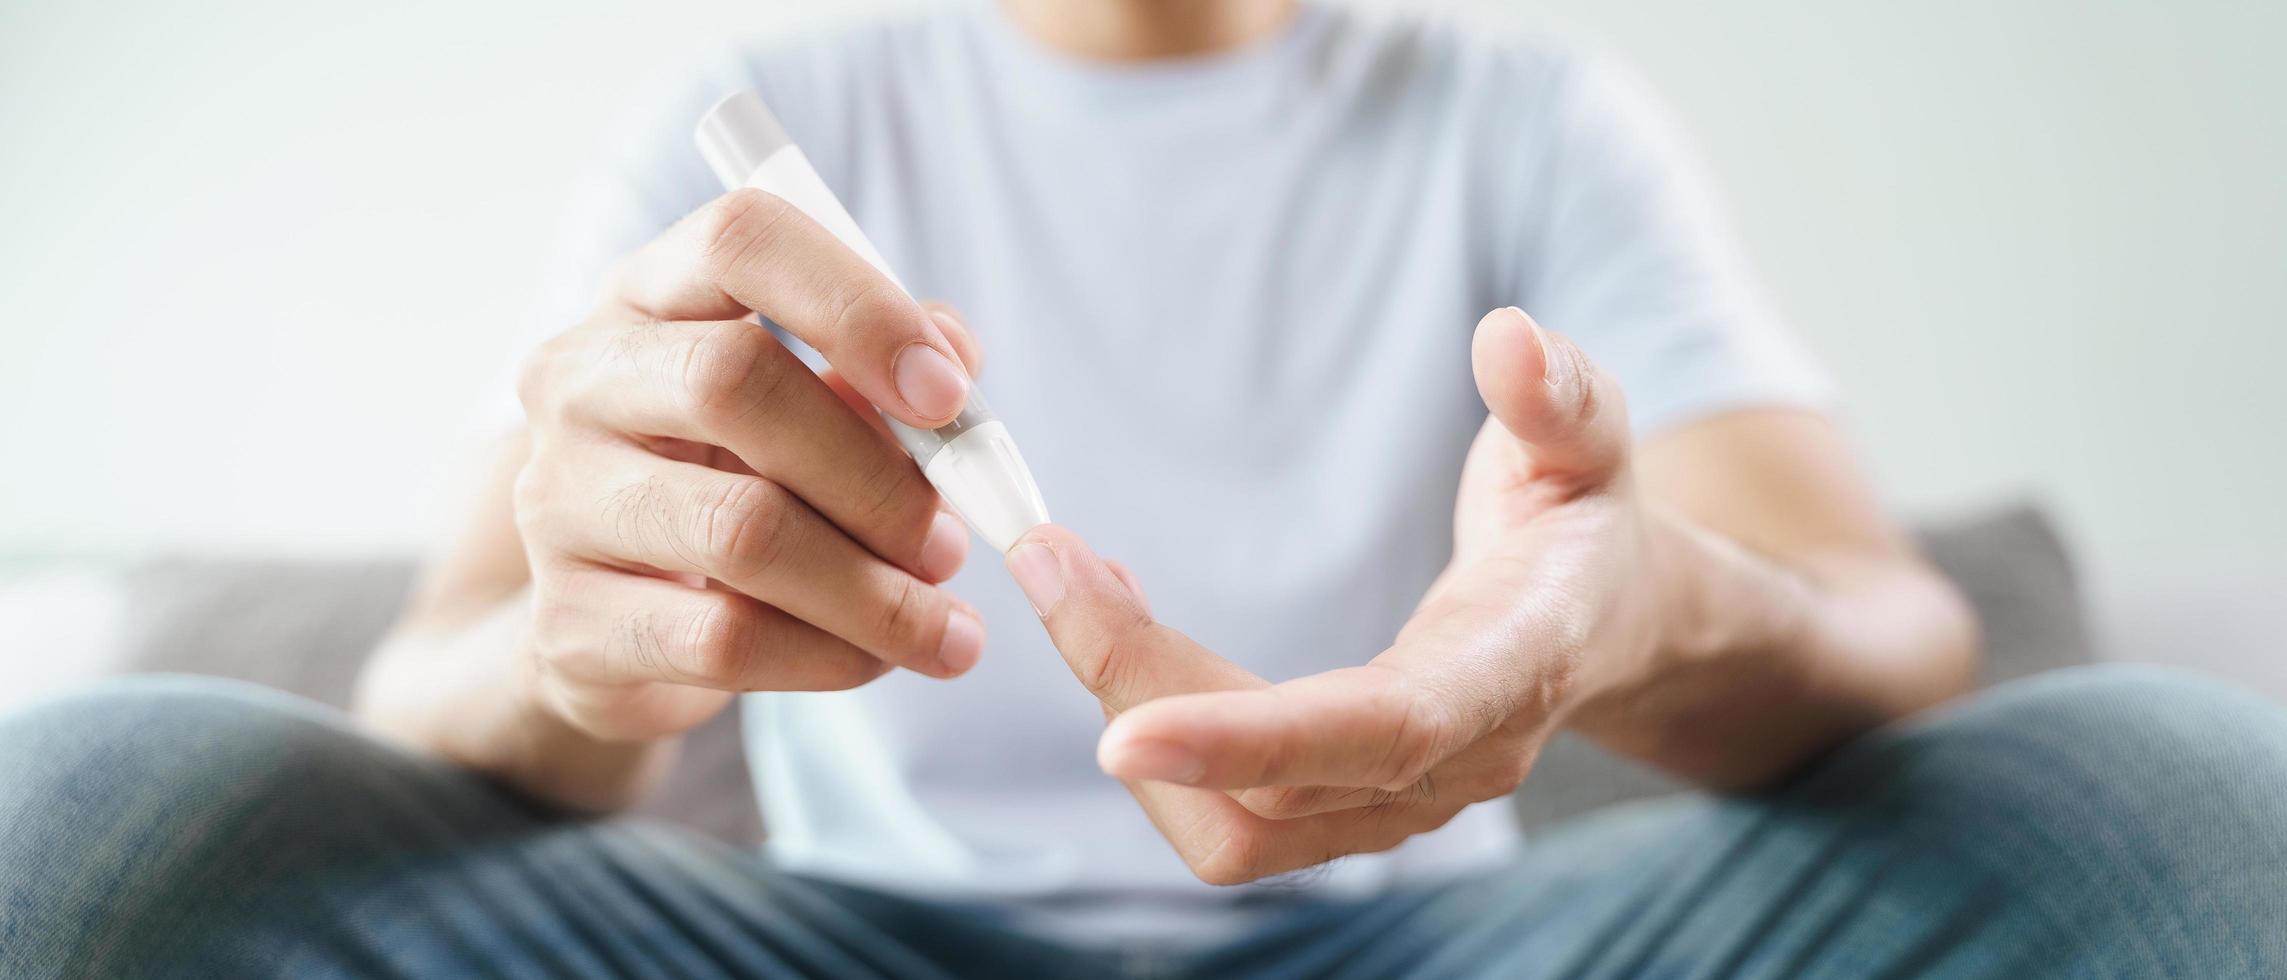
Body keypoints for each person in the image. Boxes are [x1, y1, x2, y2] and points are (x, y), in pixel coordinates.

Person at [4, 0, 2283, 976]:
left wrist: (1640, 613)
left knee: (2177, 792)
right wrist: (596, 649)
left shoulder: (1516, 115)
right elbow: (437, 676)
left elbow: (1892, 625)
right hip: (856, 945)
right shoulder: (772, 106)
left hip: (1432, 941)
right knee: (83, 806)